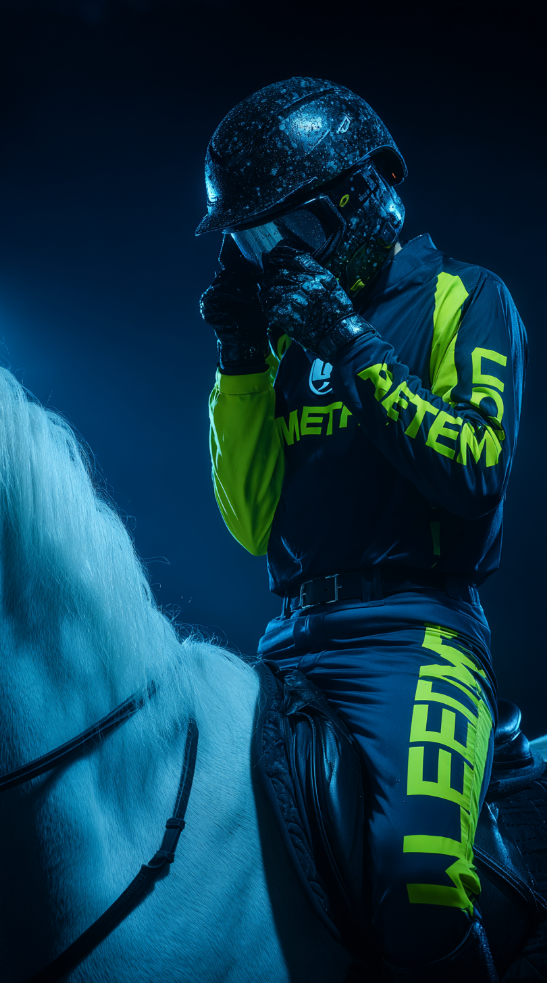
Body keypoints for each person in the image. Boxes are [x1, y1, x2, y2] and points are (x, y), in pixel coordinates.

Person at [197, 77, 527, 981]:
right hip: (287, 639)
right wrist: (240, 364)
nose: (273, 257)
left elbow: (474, 469)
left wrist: (347, 342)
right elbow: (251, 523)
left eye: (286, 228)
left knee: (417, 883)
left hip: (417, 636)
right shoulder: (287, 340)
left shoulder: (466, 295)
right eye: (251, 239)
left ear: (359, 201)